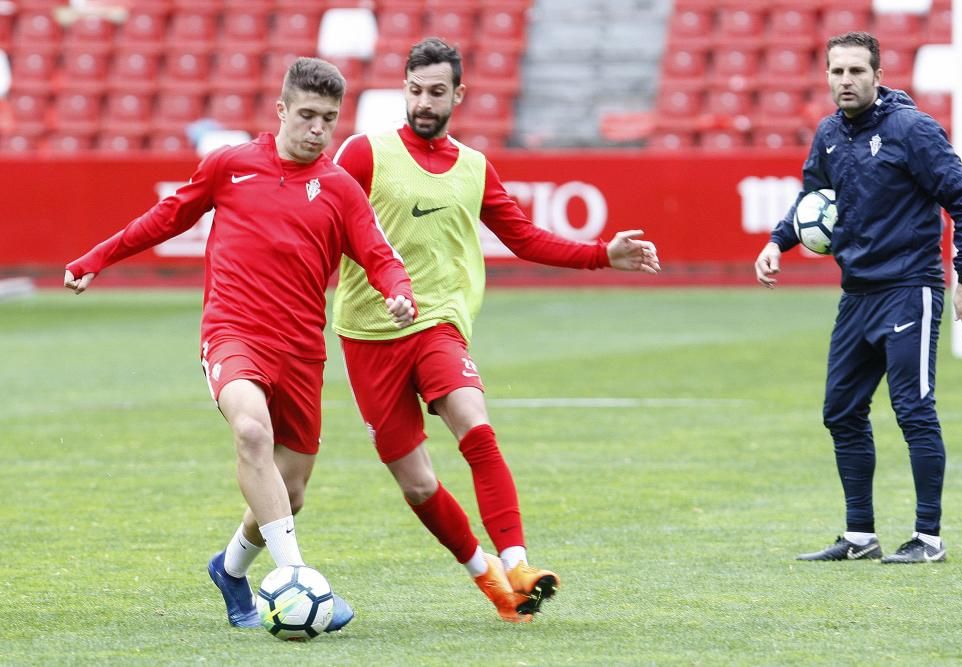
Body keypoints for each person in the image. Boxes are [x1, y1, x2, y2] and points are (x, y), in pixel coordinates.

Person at [64, 57, 416, 629]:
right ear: (280, 110)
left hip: (302, 351)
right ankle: (296, 578)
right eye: (306, 115)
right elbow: (168, 217)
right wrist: (97, 257)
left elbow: (380, 256)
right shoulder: (230, 167)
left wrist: (399, 293)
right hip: (233, 333)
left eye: (328, 118)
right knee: (251, 429)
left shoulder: (339, 188)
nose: (317, 129)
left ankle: (229, 569)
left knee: (291, 491)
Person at [331, 37, 661, 622]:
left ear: (459, 94)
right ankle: (487, 576)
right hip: (366, 335)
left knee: (475, 428)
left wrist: (601, 254)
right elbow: (321, 223)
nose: (424, 103)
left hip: (439, 327)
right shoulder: (364, 154)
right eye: (415, 91)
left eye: (437, 92)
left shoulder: (475, 167)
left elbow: (525, 237)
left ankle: (519, 563)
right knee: (417, 485)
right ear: (402, 89)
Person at [754, 32, 962, 564]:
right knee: (841, 412)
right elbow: (813, 201)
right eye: (837, 72)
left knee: (914, 411)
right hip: (857, 294)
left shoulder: (912, 129)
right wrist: (776, 241)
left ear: (878, 77)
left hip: (910, 289)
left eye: (856, 71)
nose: (845, 81)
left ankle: (928, 538)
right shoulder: (829, 134)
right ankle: (860, 536)